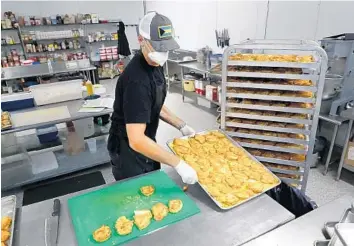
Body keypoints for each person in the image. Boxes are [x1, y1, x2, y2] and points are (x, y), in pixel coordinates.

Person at [107, 12, 198, 185]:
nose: (163, 53)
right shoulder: (137, 80)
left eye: (166, 47)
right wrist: (178, 164)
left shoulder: (154, 64)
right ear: (141, 40)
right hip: (128, 150)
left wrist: (182, 125)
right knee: (137, 194)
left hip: (146, 139)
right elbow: (136, 140)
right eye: (158, 47)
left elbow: (153, 104)